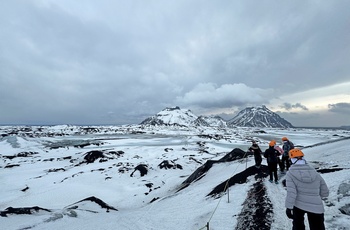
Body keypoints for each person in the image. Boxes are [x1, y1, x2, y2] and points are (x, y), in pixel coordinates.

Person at [285, 149, 329, 230]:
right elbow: (325, 192)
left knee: (298, 225)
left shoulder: (290, 174)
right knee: (317, 227)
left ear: (291, 159)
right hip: (316, 205)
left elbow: (292, 193)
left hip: (298, 205)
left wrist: (289, 207)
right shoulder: (314, 172)